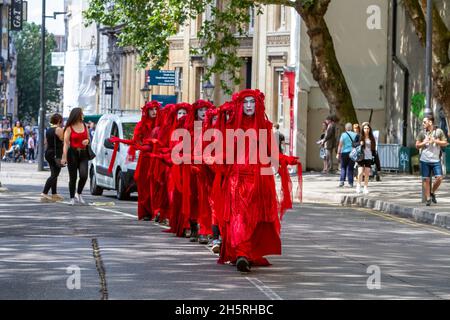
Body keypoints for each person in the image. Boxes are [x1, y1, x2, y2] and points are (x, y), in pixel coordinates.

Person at [218, 89, 300, 273]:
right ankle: (242, 254)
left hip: (259, 180)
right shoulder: (231, 126)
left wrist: (285, 159)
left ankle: (246, 253)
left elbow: (271, 152)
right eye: (245, 102)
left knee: (253, 219)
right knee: (239, 217)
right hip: (236, 179)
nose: (248, 106)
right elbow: (221, 149)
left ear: (258, 104)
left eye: (252, 102)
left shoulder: (264, 126)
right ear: (240, 105)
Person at [415, 115, 448, 206]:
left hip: (435, 160)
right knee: (426, 179)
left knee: (439, 178)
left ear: (430, 122)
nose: (423, 123)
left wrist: (435, 141)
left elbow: (445, 143)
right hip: (424, 159)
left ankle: (432, 192)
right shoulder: (422, 133)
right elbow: (417, 145)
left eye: (424, 122)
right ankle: (428, 199)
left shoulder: (439, 131)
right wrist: (424, 142)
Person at [61, 108, 90, 205]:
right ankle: (72, 198)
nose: (83, 115)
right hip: (72, 154)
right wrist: (64, 157)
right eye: (82, 114)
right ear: (77, 115)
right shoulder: (69, 127)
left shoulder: (85, 126)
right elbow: (66, 144)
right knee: (73, 177)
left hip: (84, 153)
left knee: (84, 175)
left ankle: (79, 193)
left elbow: (88, 138)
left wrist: (87, 141)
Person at [41, 114, 65, 202]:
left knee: (54, 173)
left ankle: (54, 194)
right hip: (56, 154)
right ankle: (44, 192)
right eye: (61, 121)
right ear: (59, 121)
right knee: (55, 175)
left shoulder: (48, 130)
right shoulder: (59, 129)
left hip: (48, 153)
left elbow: (45, 142)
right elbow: (64, 140)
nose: (62, 123)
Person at [356, 122, 376, 194]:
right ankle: (358, 186)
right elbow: (353, 144)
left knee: (367, 173)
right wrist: (359, 143)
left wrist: (374, 157)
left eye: (367, 128)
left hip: (369, 157)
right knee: (360, 172)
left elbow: (373, 149)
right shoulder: (359, 136)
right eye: (365, 128)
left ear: (369, 129)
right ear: (363, 129)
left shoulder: (372, 138)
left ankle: (365, 187)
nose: (366, 130)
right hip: (361, 157)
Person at [336, 123, 357, 187]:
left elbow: (340, 144)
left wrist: (338, 153)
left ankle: (342, 181)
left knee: (343, 167)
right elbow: (357, 144)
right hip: (352, 153)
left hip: (344, 152)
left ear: (345, 128)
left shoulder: (343, 135)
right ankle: (351, 182)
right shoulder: (355, 134)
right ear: (351, 128)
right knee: (350, 168)